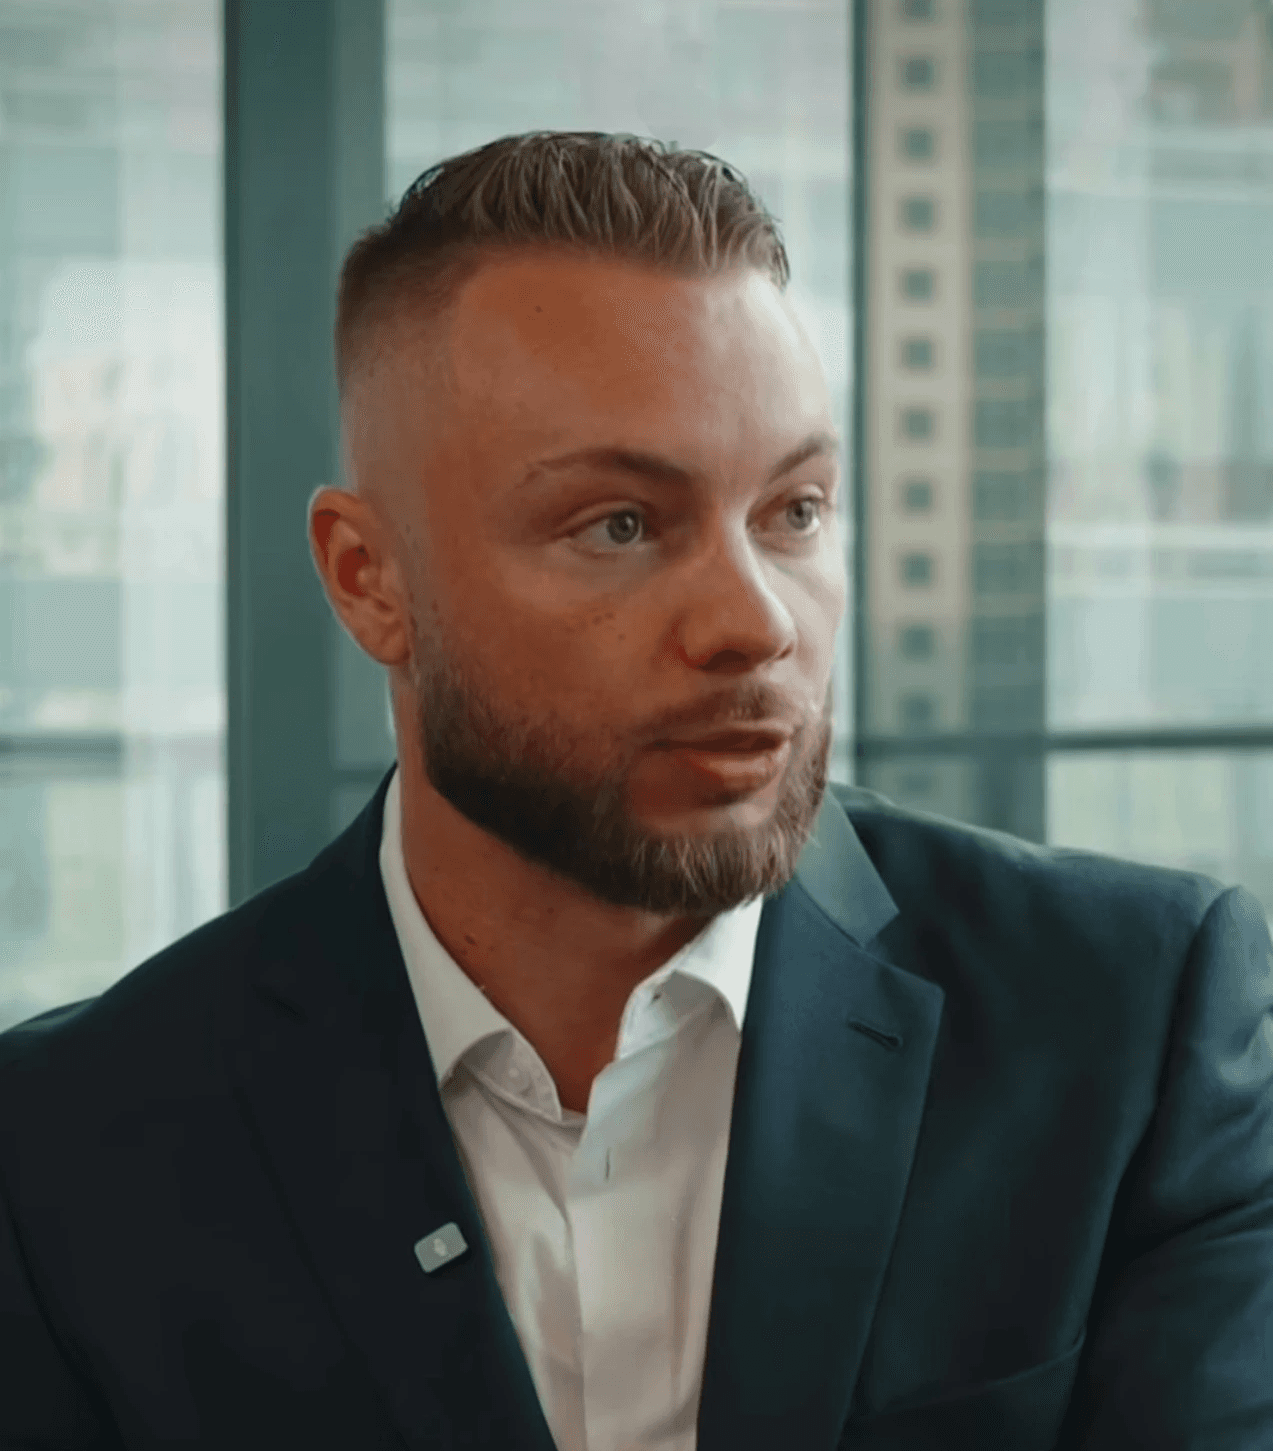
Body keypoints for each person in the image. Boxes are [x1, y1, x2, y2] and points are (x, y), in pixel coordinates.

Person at [1, 131, 1270, 1451]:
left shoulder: (1133, 1027)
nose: (754, 622)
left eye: (796, 510)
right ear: (370, 580)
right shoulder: (75, 1151)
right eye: (620, 524)